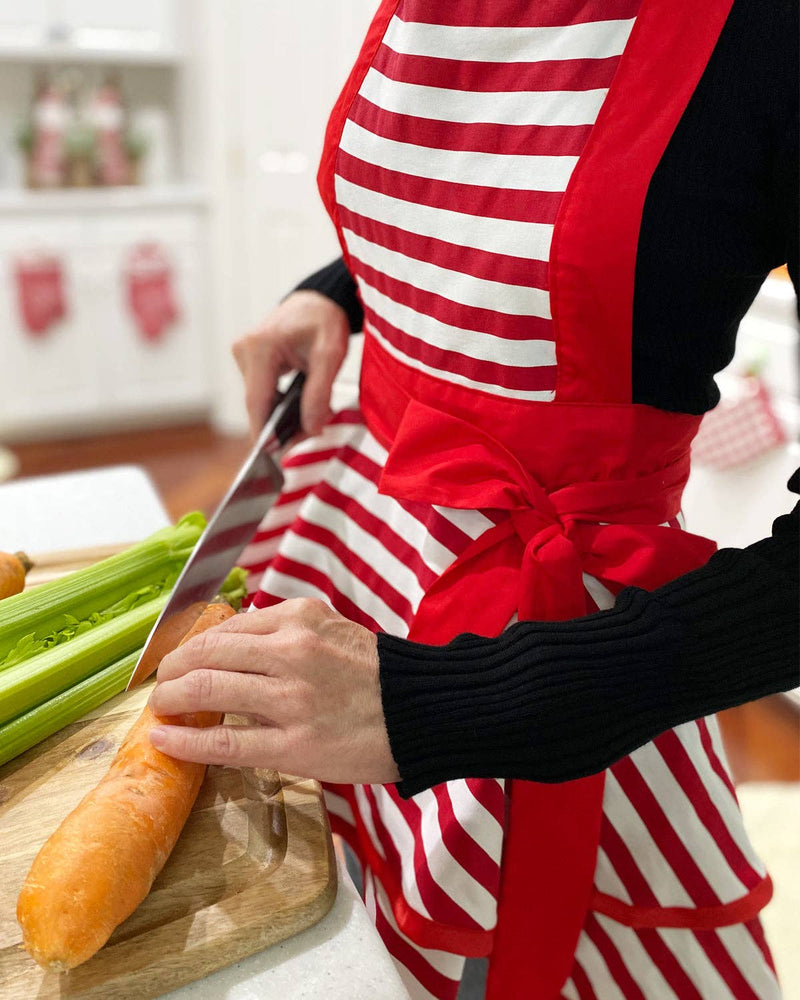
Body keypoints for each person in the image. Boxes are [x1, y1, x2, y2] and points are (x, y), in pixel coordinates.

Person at [150, 1, 799, 997]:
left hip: (543, 660)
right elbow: (476, 182)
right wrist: (340, 284)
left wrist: (442, 702)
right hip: (350, 550)